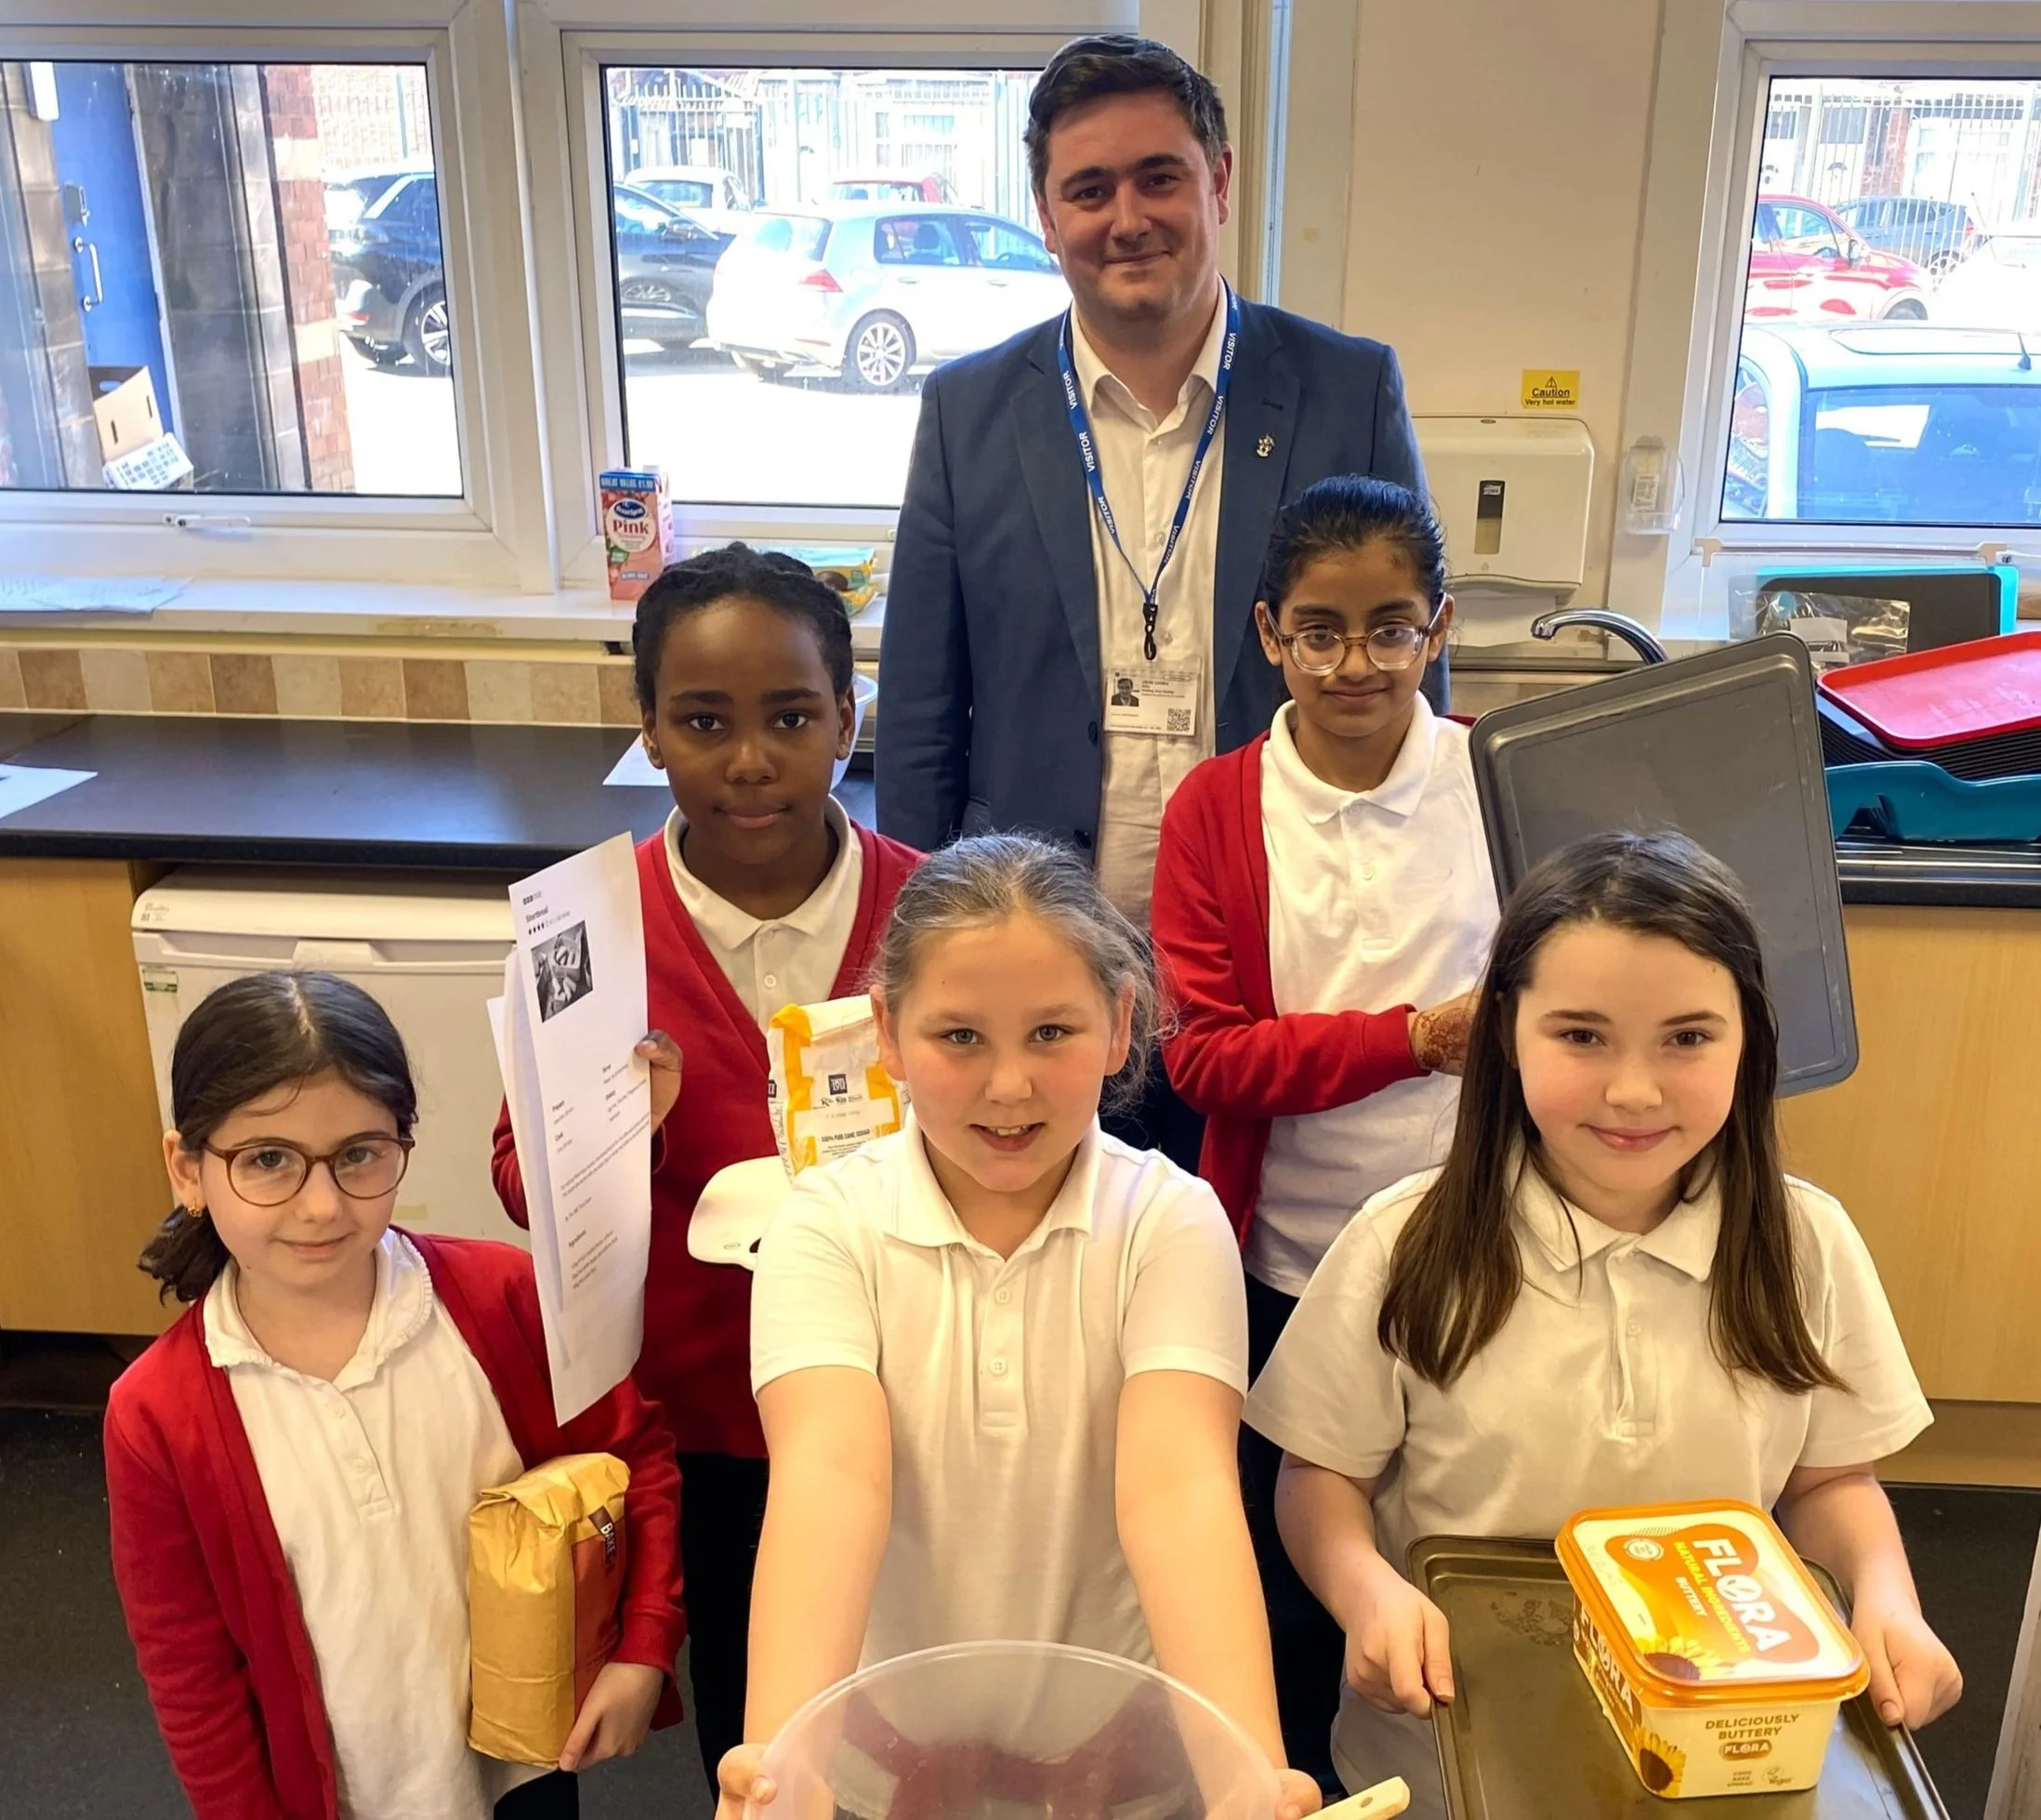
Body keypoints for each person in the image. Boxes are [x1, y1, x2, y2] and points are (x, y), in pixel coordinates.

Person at [1244, 832, 1962, 1816]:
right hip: (1449, 1751)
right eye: (1581, 1035)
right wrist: (1364, 1588)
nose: (1634, 1089)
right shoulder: (1402, 1242)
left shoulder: (1808, 1242)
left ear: (1749, 1034)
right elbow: (1320, 1476)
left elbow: (1831, 1476)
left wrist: (1886, 1594)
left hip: (1724, 1754)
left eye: (1688, 1036)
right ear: (1505, 1031)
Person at [877, 33, 1442, 1161]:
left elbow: (1403, 672)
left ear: (1218, 181)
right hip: (1036, 967)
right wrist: (923, 954)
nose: (1125, 217)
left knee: (1248, 1274)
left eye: (1158, 177)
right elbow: (924, 711)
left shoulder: (1344, 386)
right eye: (1088, 190)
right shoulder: (967, 412)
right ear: (1046, 214)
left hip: (1277, 959)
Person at [716, 836, 1321, 1820]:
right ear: (886, 1029)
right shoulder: (827, 1223)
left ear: (1122, 1021)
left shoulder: (1167, 1219)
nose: (1009, 1085)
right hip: (875, 1762)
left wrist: (1245, 1771)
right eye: (959, 1036)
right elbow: (829, 1479)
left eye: (1052, 1032)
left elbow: (1179, 1489)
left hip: (1121, 1761)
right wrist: (790, 1762)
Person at [490, 544, 921, 1789]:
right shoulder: (585, 939)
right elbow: (525, 1181)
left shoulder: (938, 911)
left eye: (791, 717)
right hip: (711, 1407)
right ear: (650, 734)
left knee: (908, 1676)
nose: (748, 760)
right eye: (703, 721)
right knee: (758, 1704)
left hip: (900, 1378)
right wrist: (630, 1132)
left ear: (847, 718)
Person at [104, 971, 686, 1820]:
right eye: (267, 1159)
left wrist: (643, 1644)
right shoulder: (158, 1413)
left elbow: (634, 1455)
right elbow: (189, 1667)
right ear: (188, 1170)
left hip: (524, 1765)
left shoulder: (502, 1300)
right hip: (341, 1797)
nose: (321, 1204)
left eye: (359, 1155)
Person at [1149, 474, 1498, 1782]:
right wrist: (1419, 1036)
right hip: (1285, 1262)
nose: (1357, 662)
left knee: (1455, 1536)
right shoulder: (1216, 810)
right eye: (1320, 630)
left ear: (1441, 625)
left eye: (1393, 627)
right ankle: (1287, 1785)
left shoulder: (1494, 781)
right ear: (1266, 634)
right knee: (1292, 1562)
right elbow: (1205, 1058)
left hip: (1476, 1243)